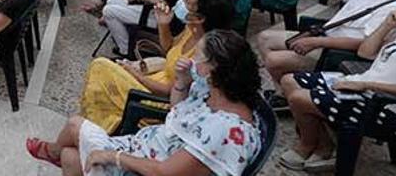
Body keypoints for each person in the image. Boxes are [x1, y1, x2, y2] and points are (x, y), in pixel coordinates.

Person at [27, 30, 262, 176]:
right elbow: (177, 110)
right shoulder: (214, 90)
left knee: (74, 126)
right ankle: (58, 153)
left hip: (143, 165)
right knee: (70, 156)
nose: (190, 61)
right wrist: (182, 82)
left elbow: (165, 172)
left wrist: (113, 157)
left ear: (213, 69)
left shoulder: (226, 131)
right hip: (143, 148)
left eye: (197, 57)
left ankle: (52, 152)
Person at [256, 0, 396, 109]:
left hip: (338, 51)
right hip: (325, 36)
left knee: (274, 60)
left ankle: (295, 93)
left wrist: (317, 42)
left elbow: (366, 43)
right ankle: (283, 93)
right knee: (265, 37)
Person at [77, 0, 233, 133]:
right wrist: (163, 24)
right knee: (104, 70)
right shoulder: (191, 29)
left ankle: (97, 127)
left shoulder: (203, 53)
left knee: (100, 66)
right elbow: (169, 49)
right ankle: (93, 123)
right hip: (153, 81)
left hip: (157, 100)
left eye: (187, 1)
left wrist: (134, 73)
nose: (181, 2)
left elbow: (169, 91)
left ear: (200, 18)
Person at [279, 10, 396, 172]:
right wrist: (386, 26)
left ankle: (308, 145)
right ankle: (323, 145)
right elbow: (365, 52)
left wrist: (367, 85)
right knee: (289, 81)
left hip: (390, 105)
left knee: (299, 98)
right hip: (364, 84)